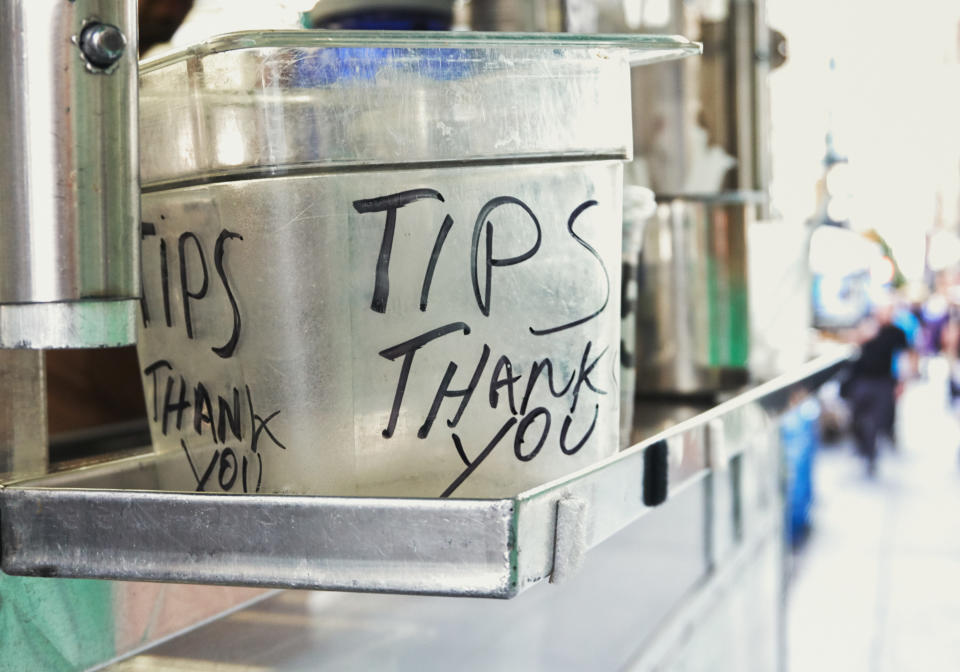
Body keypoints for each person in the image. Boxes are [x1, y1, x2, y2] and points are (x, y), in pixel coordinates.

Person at [847, 299, 909, 474]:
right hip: (861, 379)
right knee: (857, 416)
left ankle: (871, 454)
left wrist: (902, 382)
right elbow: (851, 343)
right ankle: (862, 446)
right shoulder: (866, 325)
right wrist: (863, 335)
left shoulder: (897, 333)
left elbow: (904, 357)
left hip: (883, 381)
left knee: (875, 419)